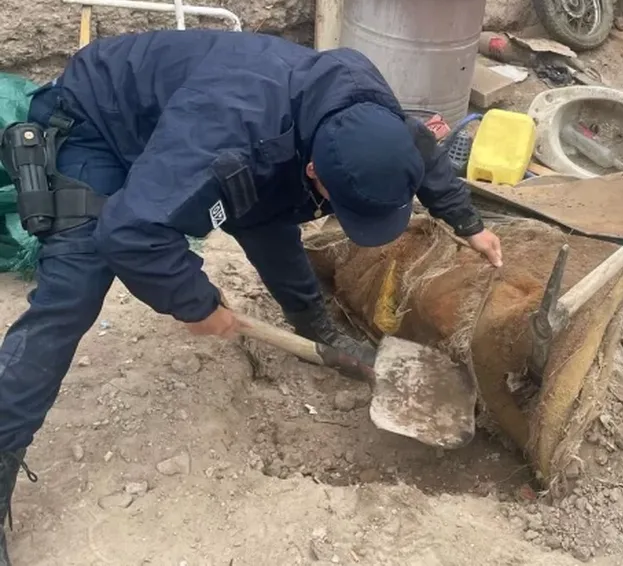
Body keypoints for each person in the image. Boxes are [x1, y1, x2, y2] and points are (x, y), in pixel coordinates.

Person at [0, 29, 503, 564]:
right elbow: (130, 234)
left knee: (265, 212)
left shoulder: (362, 110)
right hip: (100, 119)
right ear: (314, 170)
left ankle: (314, 326)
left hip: (220, 130)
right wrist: (195, 301)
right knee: (75, 288)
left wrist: (467, 221)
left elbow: (418, 153)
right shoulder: (231, 137)